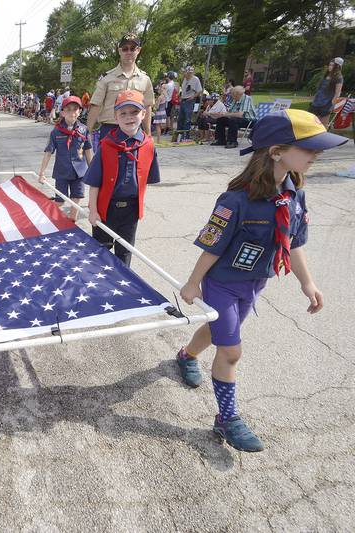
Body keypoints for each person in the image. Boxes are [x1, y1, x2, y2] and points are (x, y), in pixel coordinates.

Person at [173, 109, 347, 452]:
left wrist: (307, 283)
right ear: (276, 151)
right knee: (231, 349)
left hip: (255, 284)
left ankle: (186, 354)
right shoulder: (236, 200)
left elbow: (293, 243)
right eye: (309, 148)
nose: (316, 155)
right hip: (222, 283)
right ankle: (227, 418)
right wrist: (193, 283)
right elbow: (212, 245)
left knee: (217, 330)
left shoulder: (294, 196)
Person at [83, 90, 160, 266]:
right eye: (123, 113)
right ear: (116, 117)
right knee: (101, 252)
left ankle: (121, 290)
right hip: (106, 209)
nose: (129, 117)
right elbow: (94, 182)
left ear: (144, 113)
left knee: (125, 253)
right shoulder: (107, 145)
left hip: (131, 211)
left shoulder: (148, 146)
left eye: (134, 112)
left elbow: (146, 180)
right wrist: (93, 210)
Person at [86, 33, 155, 140]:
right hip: (110, 130)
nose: (129, 52)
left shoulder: (145, 79)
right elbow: (96, 106)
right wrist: (87, 133)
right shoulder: (107, 78)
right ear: (119, 51)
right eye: (125, 48)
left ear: (138, 50)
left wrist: (148, 134)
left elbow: (147, 107)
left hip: (135, 131)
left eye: (132, 48)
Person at [37, 95, 92, 220]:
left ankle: (72, 222)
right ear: (62, 112)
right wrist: (42, 172)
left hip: (79, 172)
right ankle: (46, 216)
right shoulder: (56, 132)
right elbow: (48, 152)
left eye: (75, 109)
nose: (72, 112)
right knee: (60, 201)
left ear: (79, 111)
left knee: (76, 199)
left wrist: (93, 170)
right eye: (68, 109)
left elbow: (88, 151)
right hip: (62, 172)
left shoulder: (84, 130)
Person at [309, 57, 345, 126]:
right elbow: (320, 89)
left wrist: (331, 104)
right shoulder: (326, 75)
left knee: (322, 124)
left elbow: (337, 93)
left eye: (332, 65)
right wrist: (314, 98)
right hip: (316, 102)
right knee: (311, 121)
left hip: (327, 104)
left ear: (337, 67)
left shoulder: (339, 78)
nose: (330, 67)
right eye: (329, 65)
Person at [177, 66, 202, 135]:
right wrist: (180, 97)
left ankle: (185, 135)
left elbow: (199, 91)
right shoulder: (184, 79)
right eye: (188, 73)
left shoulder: (195, 79)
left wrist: (193, 97)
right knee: (180, 118)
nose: (189, 74)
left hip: (190, 100)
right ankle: (179, 134)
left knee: (187, 119)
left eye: (191, 73)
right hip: (183, 100)